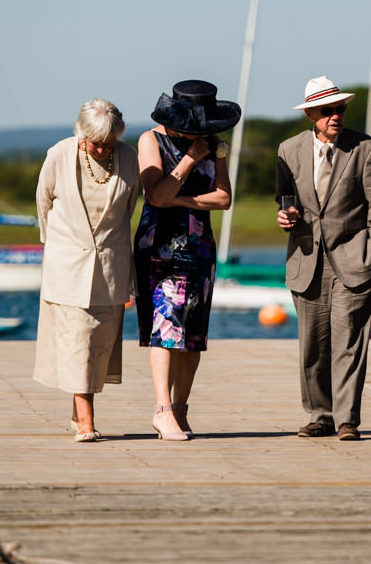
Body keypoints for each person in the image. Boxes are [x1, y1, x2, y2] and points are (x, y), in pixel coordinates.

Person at [276, 76, 371, 441]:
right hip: (306, 259)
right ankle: (319, 415)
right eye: (327, 111)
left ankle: (346, 420)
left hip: (354, 261)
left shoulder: (366, 149)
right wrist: (285, 219)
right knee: (313, 346)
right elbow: (285, 202)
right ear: (311, 114)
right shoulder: (287, 150)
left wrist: (370, 251)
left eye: (340, 109)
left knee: (349, 343)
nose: (335, 116)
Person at [134, 79, 240, 442]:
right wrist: (191, 158)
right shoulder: (152, 140)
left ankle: (180, 408)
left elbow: (224, 199)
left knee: (193, 332)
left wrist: (181, 197)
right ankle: (161, 409)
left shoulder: (213, 146)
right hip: (161, 245)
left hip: (200, 245)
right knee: (166, 324)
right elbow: (156, 194)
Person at [33, 99, 141, 443]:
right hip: (67, 265)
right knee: (78, 339)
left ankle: (75, 411)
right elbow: (43, 200)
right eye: (95, 142)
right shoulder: (60, 154)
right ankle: (86, 423)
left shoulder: (128, 157)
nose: (101, 148)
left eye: (108, 142)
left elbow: (129, 206)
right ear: (81, 135)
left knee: (98, 342)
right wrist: (54, 245)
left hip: (111, 264)